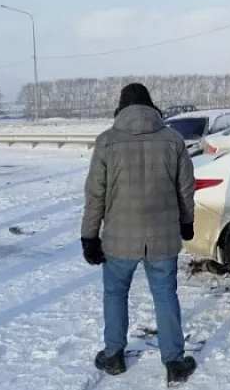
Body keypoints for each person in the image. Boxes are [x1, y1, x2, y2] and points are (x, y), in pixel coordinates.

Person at [80, 83, 198, 385]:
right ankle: (174, 361)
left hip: (118, 239)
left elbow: (95, 193)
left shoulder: (106, 142)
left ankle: (114, 356)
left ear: (121, 107)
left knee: (115, 294)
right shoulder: (173, 140)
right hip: (163, 238)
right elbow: (185, 188)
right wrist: (187, 222)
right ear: (151, 105)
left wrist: (90, 236)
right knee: (165, 295)